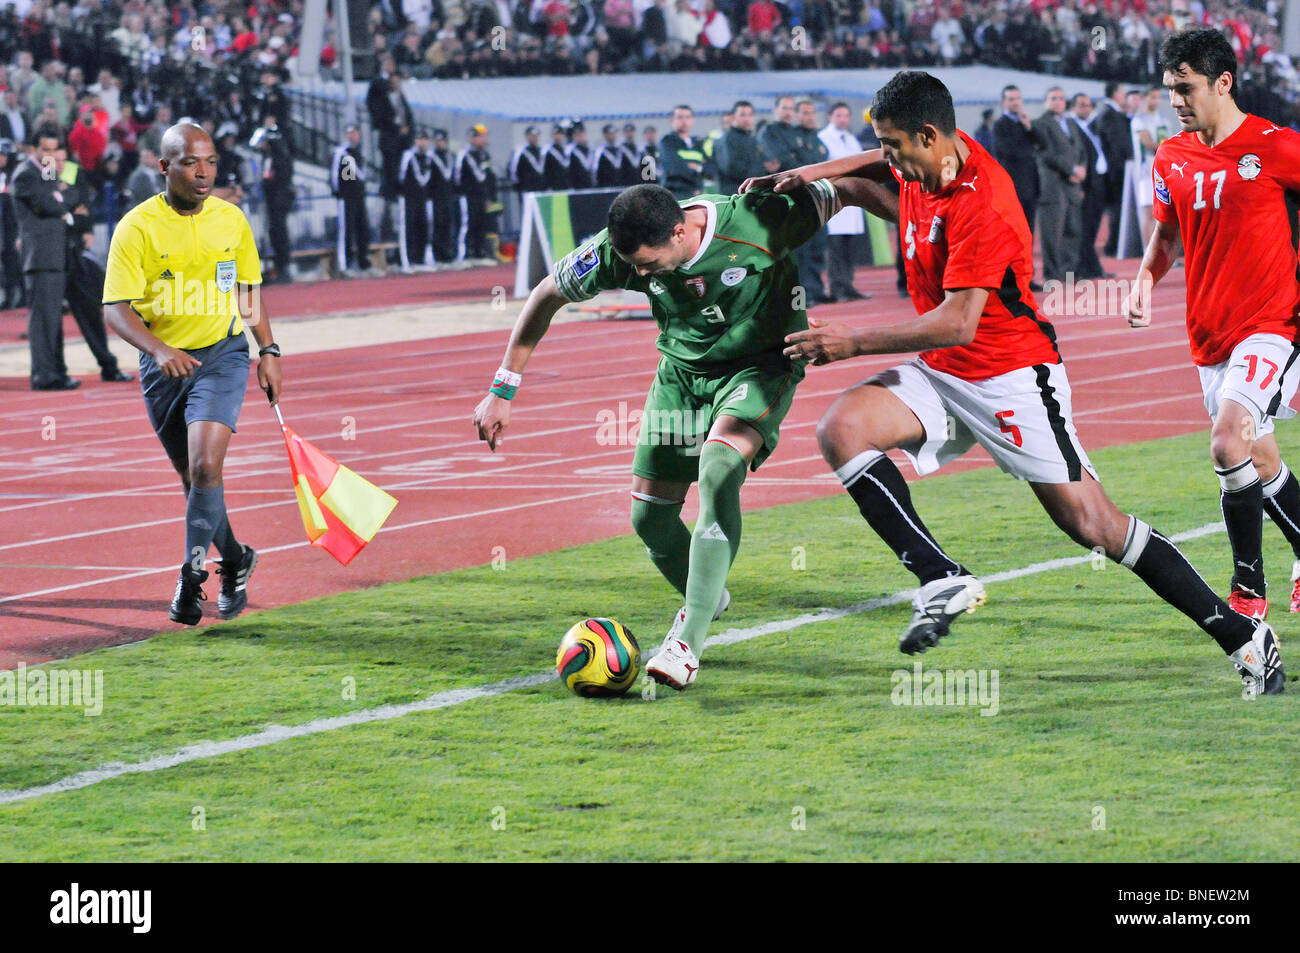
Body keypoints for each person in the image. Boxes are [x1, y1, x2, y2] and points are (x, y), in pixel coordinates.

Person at [748, 69, 1282, 698]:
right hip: (942, 370)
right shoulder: (928, 157)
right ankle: (939, 576)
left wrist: (852, 342)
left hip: (1011, 376)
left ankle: (1243, 638)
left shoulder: (983, 201)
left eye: (895, 146)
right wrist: (809, 177)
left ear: (930, 136)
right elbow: (875, 174)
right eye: (883, 144)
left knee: (1095, 527)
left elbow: (957, 321)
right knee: (841, 429)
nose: (888, 158)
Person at [472, 178, 866, 688]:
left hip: (758, 368)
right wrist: (503, 387)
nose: (637, 275)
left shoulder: (757, 220)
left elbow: (852, 187)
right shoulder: (620, 251)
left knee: (720, 467)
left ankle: (687, 639)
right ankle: (708, 594)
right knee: (650, 520)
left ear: (680, 232)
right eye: (631, 265)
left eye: (646, 264)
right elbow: (547, 294)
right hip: (681, 377)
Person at [1126, 28, 1300, 623]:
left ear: (1223, 82)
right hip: (1207, 333)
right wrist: (1146, 281)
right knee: (1263, 460)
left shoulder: (1277, 147)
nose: (1175, 100)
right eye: (1169, 89)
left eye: (1185, 87)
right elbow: (1167, 233)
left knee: (1228, 443)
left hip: (1273, 324)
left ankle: (1247, 585)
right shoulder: (1171, 156)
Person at [102, 122, 283, 626]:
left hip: (222, 357)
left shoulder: (231, 220)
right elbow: (115, 310)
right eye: (189, 163)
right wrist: (158, 349)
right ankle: (238, 556)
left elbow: (247, 289)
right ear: (164, 167)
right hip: (163, 366)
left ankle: (192, 575)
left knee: (206, 468)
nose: (203, 173)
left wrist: (267, 349)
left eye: (210, 162)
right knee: (193, 481)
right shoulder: (136, 228)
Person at [55, 145, 132, 383]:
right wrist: (68, 208)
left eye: (59, 153)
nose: (57, 160)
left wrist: (77, 218)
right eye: (50, 153)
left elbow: (81, 205)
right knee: (50, 319)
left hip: (74, 251)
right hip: (52, 254)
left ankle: (108, 365)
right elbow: (59, 206)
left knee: (90, 311)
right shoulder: (41, 171)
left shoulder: (69, 170)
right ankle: (56, 373)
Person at [13, 127, 78, 390]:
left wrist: (61, 200)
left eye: (54, 149)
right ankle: (44, 376)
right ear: (33, 149)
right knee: (42, 320)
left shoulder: (46, 171)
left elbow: (70, 194)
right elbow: (50, 204)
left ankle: (57, 372)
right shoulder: (25, 175)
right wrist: (61, 202)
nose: (51, 155)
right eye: (46, 149)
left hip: (54, 256)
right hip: (40, 257)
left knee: (53, 320)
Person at [1033, 87, 1087, 284]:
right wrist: (1071, 170)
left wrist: (1082, 168)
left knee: (1073, 228)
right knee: (1052, 232)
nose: (1058, 102)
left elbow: (1081, 149)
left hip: (1073, 184)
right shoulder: (1039, 124)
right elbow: (1047, 153)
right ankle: (1053, 273)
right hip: (1053, 185)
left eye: (1061, 98)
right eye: (1053, 98)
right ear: (1046, 102)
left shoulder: (1071, 122)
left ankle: (1069, 272)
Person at [818, 102, 868, 302]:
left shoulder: (851, 139)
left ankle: (848, 285)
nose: (843, 119)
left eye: (846, 115)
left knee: (848, 247)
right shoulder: (823, 138)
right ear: (830, 116)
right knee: (835, 248)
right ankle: (837, 288)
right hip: (834, 197)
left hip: (852, 200)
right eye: (839, 115)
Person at [1069, 93, 1110, 280]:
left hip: (1099, 182)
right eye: (1081, 105)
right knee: (1084, 228)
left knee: (1092, 227)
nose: (1086, 108)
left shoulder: (1093, 127)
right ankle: (1083, 268)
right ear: (1073, 108)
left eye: (1088, 105)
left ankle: (1092, 266)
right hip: (1086, 184)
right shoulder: (1072, 128)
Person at [992, 86, 1039, 239]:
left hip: (1030, 184)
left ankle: (1026, 263)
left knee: (1028, 228)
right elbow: (1008, 151)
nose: (1015, 102)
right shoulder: (1000, 125)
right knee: (1011, 230)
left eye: (1018, 98)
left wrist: (1029, 128)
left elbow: (1041, 144)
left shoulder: (1026, 123)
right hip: (1012, 184)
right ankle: (1009, 264)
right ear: (1003, 102)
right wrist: (1032, 151)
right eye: (1011, 99)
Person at [1093, 81, 1134, 258]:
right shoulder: (1109, 115)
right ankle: (1114, 245)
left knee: (1117, 210)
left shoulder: (1113, 114)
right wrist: (1120, 168)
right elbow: (1115, 146)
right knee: (1116, 210)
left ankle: (1116, 244)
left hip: (1116, 169)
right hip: (1116, 171)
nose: (1124, 96)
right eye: (1122, 92)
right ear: (1115, 94)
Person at [251, 116, 293, 284]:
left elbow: (276, 179)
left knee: (279, 230)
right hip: (275, 198)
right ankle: (280, 265)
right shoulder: (277, 157)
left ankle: (283, 265)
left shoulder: (278, 159)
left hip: (278, 198)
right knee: (276, 230)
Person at [331, 124, 372, 276]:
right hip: (346, 197)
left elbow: (362, 175)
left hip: (359, 196)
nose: (352, 136)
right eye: (349, 133)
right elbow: (335, 174)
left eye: (354, 133)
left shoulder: (360, 153)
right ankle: (345, 265)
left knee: (363, 228)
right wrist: (338, 192)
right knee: (346, 230)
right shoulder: (342, 153)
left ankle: (364, 263)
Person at [1131, 86, 1170, 244]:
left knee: (1164, 213)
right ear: (1145, 98)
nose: (1155, 101)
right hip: (1146, 172)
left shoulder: (1164, 120)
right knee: (1149, 213)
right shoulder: (1139, 120)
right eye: (1152, 97)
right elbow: (1147, 143)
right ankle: (1148, 251)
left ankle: (1162, 252)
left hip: (1163, 173)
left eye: (1158, 97)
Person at [455, 123, 499, 262]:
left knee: (481, 224)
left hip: (482, 197)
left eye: (484, 136)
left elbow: (489, 177)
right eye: (480, 136)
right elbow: (457, 178)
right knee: (467, 225)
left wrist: (489, 196)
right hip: (467, 196)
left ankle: (479, 253)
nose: (484, 139)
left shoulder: (484, 155)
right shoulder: (464, 155)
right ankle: (465, 255)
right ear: (472, 138)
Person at [398, 128, 433, 270]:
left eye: (424, 140)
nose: (422, 143)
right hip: (409, 198)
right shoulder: (408, 156)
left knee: (423, 226)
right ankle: (407, 260)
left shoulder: (428, 157)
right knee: (409, 226)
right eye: (419, 140)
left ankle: (420, 258)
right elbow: (401, 177)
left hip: (423, 198)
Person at [717, 100, 763, 194]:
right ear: (734, 117)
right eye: (743, 115)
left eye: (750, 115)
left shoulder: (752, 138)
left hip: (751, 190)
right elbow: (731, 167)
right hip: (734, 193)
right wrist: (758, 174)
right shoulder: (727, 139)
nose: (747, 119)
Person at [427, 129, 458, 265]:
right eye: (437, 141)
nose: (440, 143)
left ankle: (447, 253)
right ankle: (437, 254)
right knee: (437, 224)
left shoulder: (450, 156)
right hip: (435, 196)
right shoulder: (430, 157)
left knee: (448, 223)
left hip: (448, 196)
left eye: (442, 141)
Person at [660, 105, 704, 199]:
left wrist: (698, 167)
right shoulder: (667, 141)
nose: (684, 121)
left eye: (687, 117)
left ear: (692, 120)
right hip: (675, 194)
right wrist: (697, 171)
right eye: (680, 117)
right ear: (672, 120)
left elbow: (710, 166)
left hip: (696, 193)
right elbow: (675, 168)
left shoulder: (698, 143)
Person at [508, 125, 548, 195]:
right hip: (526, 190)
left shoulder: (541, 151)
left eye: (536, 136)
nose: (535, 138)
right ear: (527, 136)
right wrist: (519, 186)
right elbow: (513, 170)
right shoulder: (520, 152)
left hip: (541, 189)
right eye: (532, 136)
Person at [543, 122, 573, 191]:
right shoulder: (547, 151)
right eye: (556, 134)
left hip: (566, 186)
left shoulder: (566, 149)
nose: (558, 136)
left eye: (560, 134)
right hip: (554, 187)